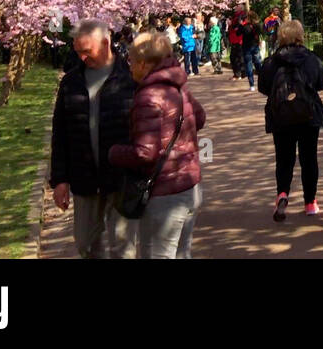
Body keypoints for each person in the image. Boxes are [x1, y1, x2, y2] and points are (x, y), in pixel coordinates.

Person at [109, 31, 206, 259]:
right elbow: (199, 118)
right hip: (190, 186)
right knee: (182, 253)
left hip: (164, 192)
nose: (129, 66)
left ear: (143, 64)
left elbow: (145, 152)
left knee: (158, 254)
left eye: (131, 61)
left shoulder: (149, 96)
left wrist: (114, 153)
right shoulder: (178, 86)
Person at [49, 20, 140, 258]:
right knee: (86, 244)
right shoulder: (71, 82)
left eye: (87, 51)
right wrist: (59, 180)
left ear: (106, 43)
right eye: (77, 52)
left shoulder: (131, 78)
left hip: (121, 177)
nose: (81, 58)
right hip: (84, 177)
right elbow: (60, 132)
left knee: (123, 248)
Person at [258, 20, 323, 220]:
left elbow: (263, 87)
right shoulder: (311, 59)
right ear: (300, 36)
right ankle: (310, 203)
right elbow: (322, 82)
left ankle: (282, 194)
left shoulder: (271, 61)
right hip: (308, 115)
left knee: (284, 159)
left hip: (280, 116)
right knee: (309, 159)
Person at [239, 10, 262, 91]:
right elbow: (260, 33)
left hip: (247, 47)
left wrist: (241, 25)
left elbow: (238, 33)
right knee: (258, 64)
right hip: (255, 46)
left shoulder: (245, 27)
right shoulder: (258, 25)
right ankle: (262, 81)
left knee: (249, 65)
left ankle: (252, 85)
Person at [227, 9, 246, 82]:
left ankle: (238, 74)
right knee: (238, 58)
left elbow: (237, 28)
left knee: (235, 58)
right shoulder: (236, 17)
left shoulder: (239, 17)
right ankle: (242, 73)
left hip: (237, 40)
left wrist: (232, 25)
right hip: (236, 40)